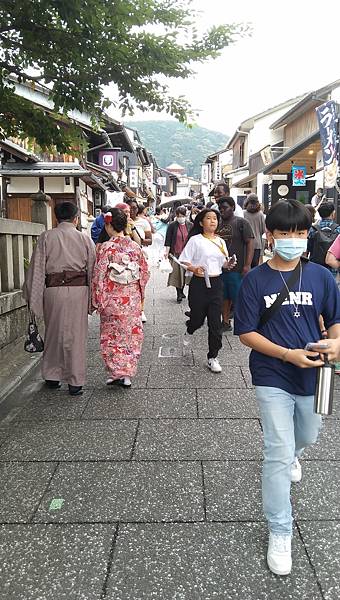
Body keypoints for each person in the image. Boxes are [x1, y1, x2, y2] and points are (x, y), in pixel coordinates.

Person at [234, 199, 340, 576]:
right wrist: (285, 354)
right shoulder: (255, 280)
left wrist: (336, 343)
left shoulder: (321, 277)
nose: (293, 239)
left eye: (299, 232)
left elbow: (335, 318)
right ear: (271, 235)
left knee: (309, 435)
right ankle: (280, 530)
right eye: (285, 233)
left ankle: (294, 452)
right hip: (271, 372)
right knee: (277, 452)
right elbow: (246, 332)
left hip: (314, 372)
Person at [24, 202, 96, 396]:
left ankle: (52, 376)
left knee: (53, 333)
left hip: (53, 290)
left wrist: (32, 294)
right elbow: (92, 269)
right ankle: (75, 381)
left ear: (56, 218)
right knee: (77, 335)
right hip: (79, 291)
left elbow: (38, 269)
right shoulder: (85, 239)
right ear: (76, 218)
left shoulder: (46, 237)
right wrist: (93, 298)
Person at [92, 208, 149, 387]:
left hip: (111, 299)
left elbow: (99, 274)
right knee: (130, 335)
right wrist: (139, 294)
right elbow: (144, 273)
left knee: (111, 336)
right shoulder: (134, 246)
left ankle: (116, 372)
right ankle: (126, 374)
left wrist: (97, 299)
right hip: (131, 299)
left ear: (109, 225)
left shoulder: (105, 247)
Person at [178, 208, 234, 373]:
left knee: (215, 323)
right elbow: (183, 261)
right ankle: (190, 330)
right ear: (201, 222)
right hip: (199, 284)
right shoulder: (195, 240)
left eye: (215, 218)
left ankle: (213, 357)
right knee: (197, 319)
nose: (213, 221)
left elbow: (223, 263)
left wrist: (228, 264)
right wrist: (194, 268)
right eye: (209, 218)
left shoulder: (221, 242)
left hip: (216, 283)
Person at [217, 196, 254, 331]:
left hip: (237, 269)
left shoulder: (241, 222)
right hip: (220, 268)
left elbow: (250, 242)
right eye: (220, 208)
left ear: (232, 207)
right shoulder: (217, 224)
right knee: (223, 296)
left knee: (239, 297)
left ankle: (245, 322)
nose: (222, 211)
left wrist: (247, 264)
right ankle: (225, 322)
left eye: (225, 208)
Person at [164, 206, 193, 302]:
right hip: (176, 254)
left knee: (185, 275)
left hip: (187, 255)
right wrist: (166, 252)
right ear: (176, 215)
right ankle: (179, 293)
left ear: (186, 215)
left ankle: (182, 290)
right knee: (177, 275)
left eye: (183, 215)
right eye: (179, 216)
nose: (181, 218)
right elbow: (168, 240)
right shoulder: (172, 225)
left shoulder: (190, 225)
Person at [307, 201, 340, 268]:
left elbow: (307, 248)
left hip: (315, 266)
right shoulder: (338, 229)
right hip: (332, 268)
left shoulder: (312, 229)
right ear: (333, 213)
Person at [243, 193, 266, 267]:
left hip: (245, 243)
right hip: (257, 244)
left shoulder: (244, 213)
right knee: (255, 265)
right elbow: (263, 230)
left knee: (245, 265)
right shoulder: (260, 214)